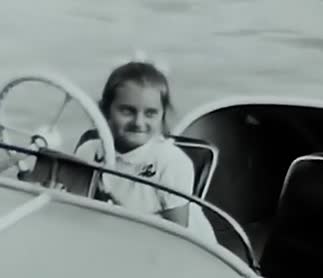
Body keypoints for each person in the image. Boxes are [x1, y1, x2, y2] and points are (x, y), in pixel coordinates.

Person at [74, 61, 217, 243]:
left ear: (162, 115)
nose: (139, 122)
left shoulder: (171, 163)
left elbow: (179, 238)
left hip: (165, 246)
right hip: (109, 237)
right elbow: (76, 209)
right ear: (105, 110)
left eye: (150, 113)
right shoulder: (88, 151)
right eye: (127, 111)